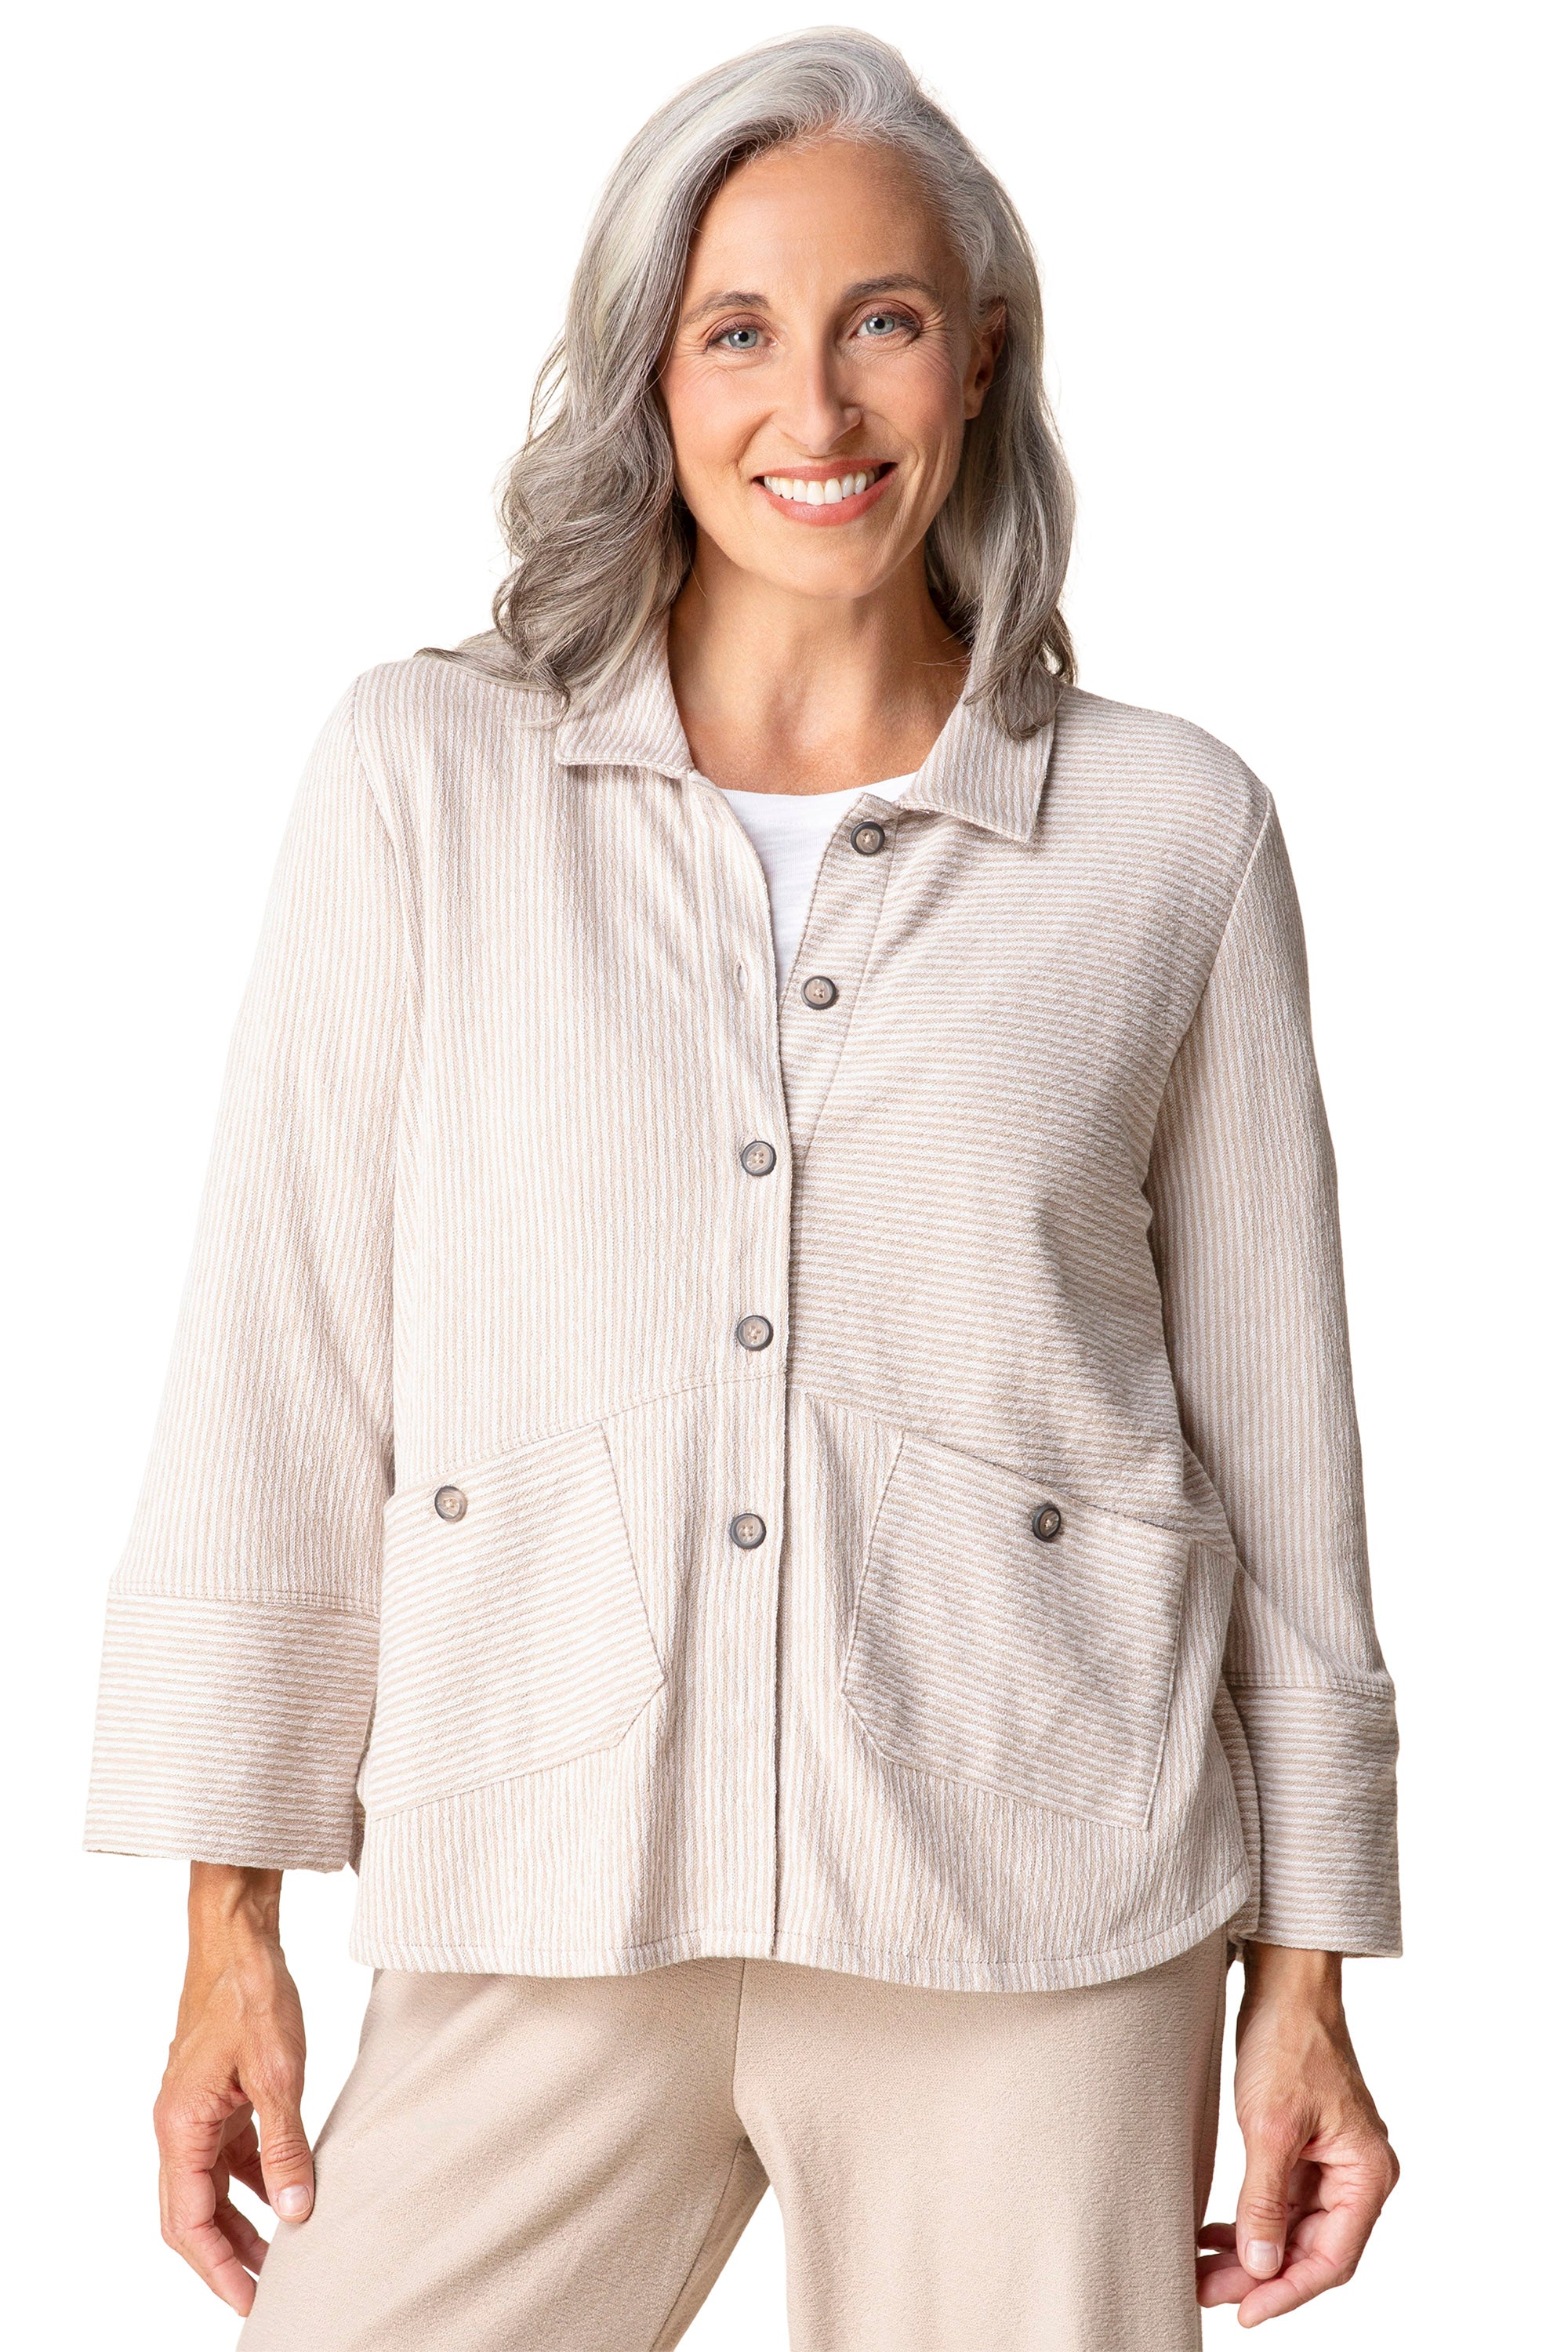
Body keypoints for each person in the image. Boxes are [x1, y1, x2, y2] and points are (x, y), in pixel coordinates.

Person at [84, 27, 1401, 2350]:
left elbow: (1283, 1450)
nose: (818, 406)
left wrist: (1308, 1975)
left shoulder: (1172, 837)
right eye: (737, 333)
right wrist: (228, 1926)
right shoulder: (429, 779)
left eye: (881, 321)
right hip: (539, 1873)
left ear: (980, 355)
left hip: (1036, 1907)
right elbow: (280, 1368)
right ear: (649, 374)